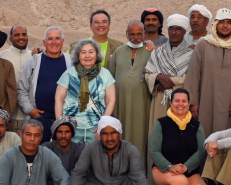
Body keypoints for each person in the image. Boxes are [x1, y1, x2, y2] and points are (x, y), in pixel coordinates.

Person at [70, 116, 155, 185]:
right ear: (99, 135)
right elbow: (78, 173)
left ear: (119, 133)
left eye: (113, 133)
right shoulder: (91, 147)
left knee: (131, 181)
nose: (109, 138)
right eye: (105, 134)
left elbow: (138, 175)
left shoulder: (130, 150)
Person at [185, 8, 231, 133]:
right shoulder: (204, 44)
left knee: (229, 138)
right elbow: (193, 75)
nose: (225, 26)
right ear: (216, 24)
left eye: (229, 22)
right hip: (207, 102)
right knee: (205, 137)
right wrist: (193, 102)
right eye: (222, 22)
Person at [148, 89, 207, 185]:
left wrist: (186, 167)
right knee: (180, 183)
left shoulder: (196, 125)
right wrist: (170, 167)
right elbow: (154, 151)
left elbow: (201, 150)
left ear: (189, 104)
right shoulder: (161, 123)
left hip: (189, 171)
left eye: (184, 101)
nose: (180, 104)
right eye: (177, 101)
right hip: (164, 170)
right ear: (171, 103)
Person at [18, 27, 72, 141]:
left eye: (57, 38)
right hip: (40, 120)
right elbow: (22, 89)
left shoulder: (71, 62)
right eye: (50, 39)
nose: (54, 42)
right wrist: (30, 110)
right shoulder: (33, 61)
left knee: (62, 155)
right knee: (39, 155)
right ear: (44, 42)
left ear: (63, 41)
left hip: (65, 121)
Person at [55, 40, 116, 143]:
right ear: (78, 56)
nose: (87, 56)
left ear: (97, 54)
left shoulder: (106, 74)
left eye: (91, 52)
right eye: (83, 52)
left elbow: (111, 99)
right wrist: (60, 124)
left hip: (96, 130)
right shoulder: (68, 74)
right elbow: (59, 99)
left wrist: (103, 122)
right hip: (72, 130)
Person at [109, 19, 154, 154]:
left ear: (144, 33)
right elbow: (110, 80)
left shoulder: (151, 52)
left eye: (139, 34)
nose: (135, 37)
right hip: (120, 106)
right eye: (132, 34)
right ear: (126, 34)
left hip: (142, 106)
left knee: (141, 137)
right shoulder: (118, 52)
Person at [145, 14, 194, 110]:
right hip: (160, 99)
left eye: (178, 29)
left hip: (181, 99)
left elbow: (190, 79)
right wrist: (159, 77)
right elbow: (147, 73)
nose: (174, 32)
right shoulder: (157, 51)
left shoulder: (191, 54)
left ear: (184, 32)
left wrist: (167, 82)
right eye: (171, 29)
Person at [41, 116, 85, 185]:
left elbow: (81, 178)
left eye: (67, 132)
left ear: (72, 134)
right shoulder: (46, 149)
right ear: (55, 134)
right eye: (60, 132)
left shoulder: (80, 150)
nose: (63, 136)